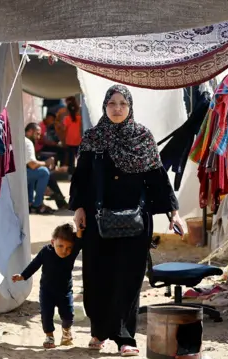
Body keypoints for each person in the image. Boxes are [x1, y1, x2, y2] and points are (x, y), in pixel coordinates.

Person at [69, 85, 185, 357]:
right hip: (98, 221)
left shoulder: (143, 137)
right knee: (97, 275)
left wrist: (172, 212)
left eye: (122, 103)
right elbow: (81, 177)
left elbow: (157, 178)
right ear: (104, 106)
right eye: (112, 103)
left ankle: (125, 338)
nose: (117, 108)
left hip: (136, 222)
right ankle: (98, 331)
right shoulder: (94, 138)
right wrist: (78, 208)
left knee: (129, 279)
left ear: (130, 107)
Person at [12, 223, 82, 348]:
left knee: (68, 315)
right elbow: (34, 264)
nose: (64, 250)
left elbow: (79, 240)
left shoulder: (71, 253)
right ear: (52, 242)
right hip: (47, 291)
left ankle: (66, 332)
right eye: (60, 246)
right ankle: (49, 336)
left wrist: (79, 229)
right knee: (46, 315)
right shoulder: (46, 251)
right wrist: (22, 276)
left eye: (68, 248)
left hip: (65, 291)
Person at [25, 123, 55, 214]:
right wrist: (46, 163)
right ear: (30, 131)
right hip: (19, 175)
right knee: (43, 172)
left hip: (16, 173)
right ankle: (37, 204)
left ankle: (29, 202)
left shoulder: (22, 139)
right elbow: (32, 164)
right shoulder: (28, 142)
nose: (38, 137)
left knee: (36, 171)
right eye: (37, 134)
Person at [62, 96, 82, 174]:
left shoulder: (66, 119)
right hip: (78, 140)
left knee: (71, 159)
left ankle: (71, 174)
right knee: (79, 158)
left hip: (69, 141)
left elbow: (64, 129)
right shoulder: (79, 118)